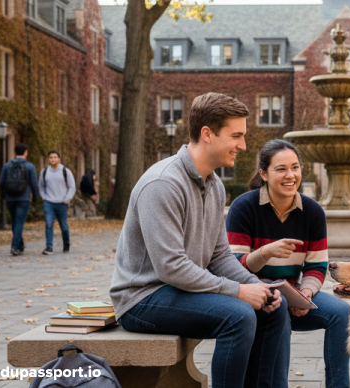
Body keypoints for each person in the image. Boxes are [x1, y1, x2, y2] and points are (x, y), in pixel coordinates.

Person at [109, 93, 291, 388]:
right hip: (143, 299)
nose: (243, 146)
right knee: (239, 315)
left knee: (274, 306)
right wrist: (238, 291)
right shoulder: (163, 183)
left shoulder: (214, 185)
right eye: (236, 136)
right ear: (207, 134)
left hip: (180, 290)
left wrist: (257, 287)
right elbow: (171, 267)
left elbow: (220, 256)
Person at [227, 139, 350, 388]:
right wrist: (265, 253)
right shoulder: (244, 207)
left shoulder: (312, 211)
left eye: (295, 167)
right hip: (252, 297)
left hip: (293, 293)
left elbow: (316, 265)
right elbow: (232, 266)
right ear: (264, 174)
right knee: (280, 303)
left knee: (341, 312)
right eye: (281, 169)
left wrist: (305, 294)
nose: (290, 175)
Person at [0, 143, 39, 256]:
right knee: (19, 222)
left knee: (15, 222)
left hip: (10, 198)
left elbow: (1, 182)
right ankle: (14, 246)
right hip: (24, 198)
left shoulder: (6, 166)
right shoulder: (30, 166)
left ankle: (20, 246)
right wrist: (35, 196)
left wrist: (3, 195)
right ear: (25, 152)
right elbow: (34, 184)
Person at [38, 150, 76, 254]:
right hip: (49, 203)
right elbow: (41, 186)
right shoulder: (45, 172)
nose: (53, 159)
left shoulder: (65, 171)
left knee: (63, 226)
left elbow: (72, 187)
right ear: (48, 159)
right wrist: (44, 197)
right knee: (49, 224)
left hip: (62, 203)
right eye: (51, 157)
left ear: (59, 159)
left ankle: (66, 244)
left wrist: (67, 199)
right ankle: (49, 247)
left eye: (55, 157)